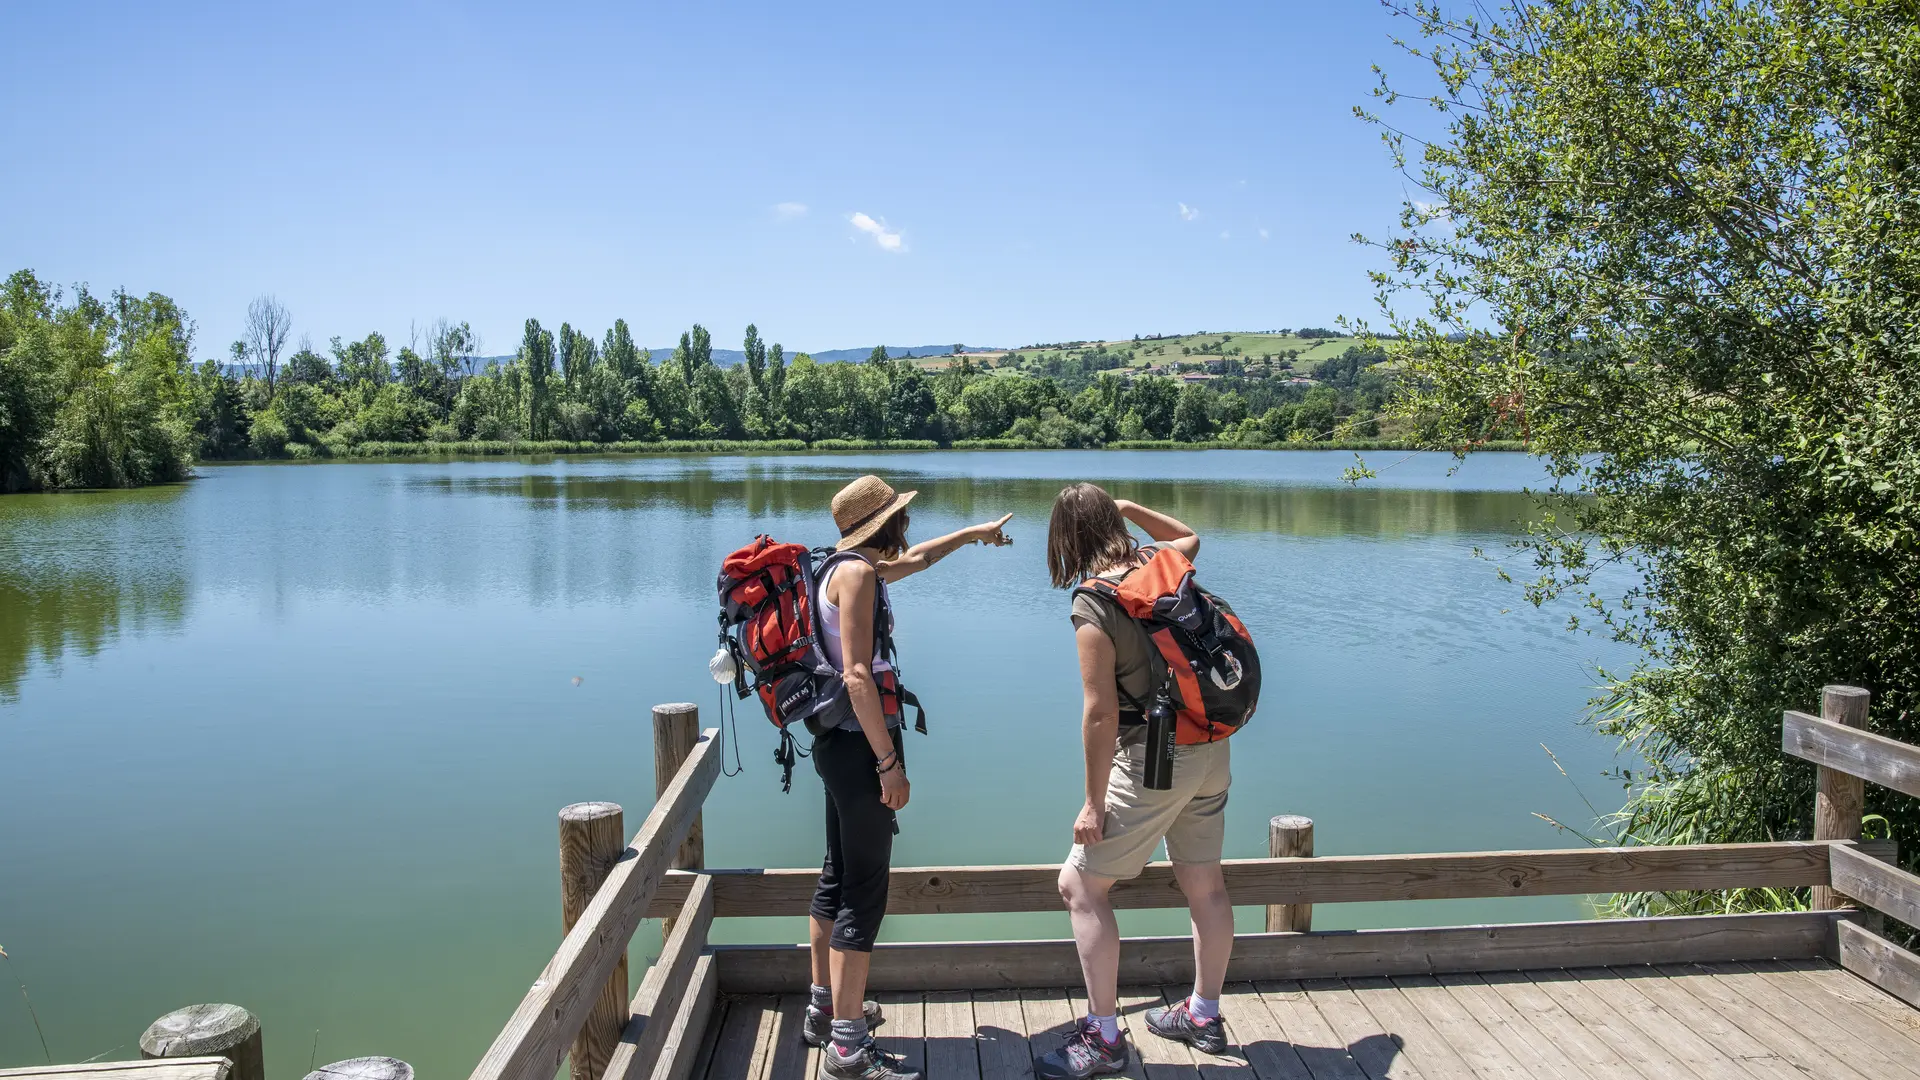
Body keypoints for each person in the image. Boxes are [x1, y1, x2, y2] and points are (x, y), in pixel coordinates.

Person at [807, 474, 1013, 1080]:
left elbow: (919, 560)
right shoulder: (861, 576)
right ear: (883, 522)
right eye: (900, 514)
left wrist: (974, 534)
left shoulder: (839, 568)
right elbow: (857, 677)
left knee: (837, 874)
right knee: (864, 891)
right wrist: (889, 764)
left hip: (832, 745)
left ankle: (823, 1010)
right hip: (860, 749)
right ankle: (847, 1046)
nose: (907, 524)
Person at [1036, 483, 1234, 1079]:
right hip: (1211, 746)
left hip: (1154, 758)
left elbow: (1098, 713)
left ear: (1065, 539)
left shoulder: (1094, 603)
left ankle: (1103, 1038)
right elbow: (1187, 536)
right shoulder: (1157, 563)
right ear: (1111, 523)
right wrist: (1129, 509)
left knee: (1080, 887)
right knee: (1206, 886)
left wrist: (1093, 803)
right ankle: (1204, 1014)